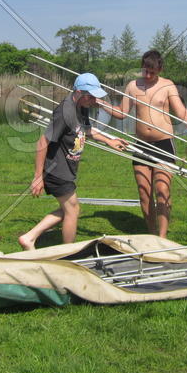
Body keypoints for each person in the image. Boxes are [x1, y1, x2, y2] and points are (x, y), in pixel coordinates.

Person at [101, 51, 187, 238]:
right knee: (144, 193)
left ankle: (162, 238)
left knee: (162, 189)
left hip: (164, 143)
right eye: (145, 71)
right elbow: (122, 112)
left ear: (160, 69)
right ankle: (151, 235)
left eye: (152, 73)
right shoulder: (133, 86)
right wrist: (100, 103)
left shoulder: (167, 86)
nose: (148, 76)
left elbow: (181, 112)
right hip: (140, 145)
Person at [18, 73, 127, 250]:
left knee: (68, 210)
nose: (93, 100)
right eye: (90, 96)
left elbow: (86, 130)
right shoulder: (65, 112)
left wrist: (109, 141)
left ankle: (29, 237)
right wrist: (38, 177)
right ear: (78, 91)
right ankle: (69, 252)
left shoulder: (81, 106)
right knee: (73, 210)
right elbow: (42, 142)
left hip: (66, 169)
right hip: (56, 170)